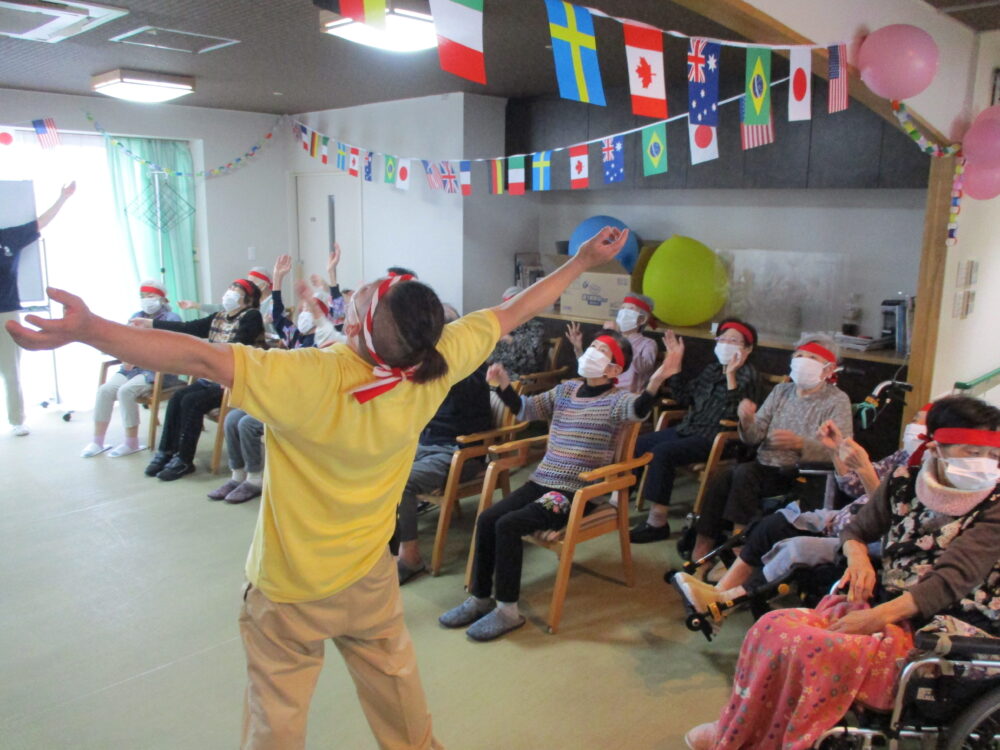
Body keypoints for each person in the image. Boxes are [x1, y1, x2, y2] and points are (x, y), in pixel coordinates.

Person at [6, 226, 632, 750]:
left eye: (362, 299)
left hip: (289, 589)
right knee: (402, 706)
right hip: (369, 576)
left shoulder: (310, 375)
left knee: (276, 720)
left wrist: (92, 330)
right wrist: (581, 262)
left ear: (359, 327)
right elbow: (514, 310)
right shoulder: (436, 363)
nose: (356, 296)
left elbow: (198, 358)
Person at [684, 395, 1000, 750]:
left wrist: (875, 618)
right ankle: (738, 728)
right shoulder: (904, 482)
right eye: (972, 453)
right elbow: (856, 529)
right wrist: (857, 555)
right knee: (769, 629)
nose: (984, 465)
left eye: (993, 456)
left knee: (809, 647)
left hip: (946, 625)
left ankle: (783, 740)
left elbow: (949, 581)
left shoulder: (995, 506)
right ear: (938, 448)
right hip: (890, 606)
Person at [440, 331, 680, 642]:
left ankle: (508, 611)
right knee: (487, 519)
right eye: (591, 346)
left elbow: (641, 408)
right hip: (542, 480)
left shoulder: (616, 401)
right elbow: (526, 409)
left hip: (575, 491)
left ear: (614, 370)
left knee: (509, 525)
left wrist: (659, 376)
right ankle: (480, 597)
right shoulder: (566, 390)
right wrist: (502, 384)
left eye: (600, 351)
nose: (590, 352)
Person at [675, 404, 932, 630]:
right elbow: (851, 486)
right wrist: (836, 450)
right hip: (843, 515)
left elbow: (891, 521)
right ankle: (719, 593)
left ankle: (726, 603)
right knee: (775, 521)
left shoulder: (927, 480)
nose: (912, 424)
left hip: (866, 534)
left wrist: (864, 469)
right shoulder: (903, 457)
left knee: (793, 547)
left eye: (920, 420)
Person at [689, 333, 854, 566]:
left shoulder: (837, 401)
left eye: (811, 357)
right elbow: (754, 437)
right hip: (764, 463)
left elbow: (842, 449)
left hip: (798, 472)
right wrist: (746, 420)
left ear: (828, 370)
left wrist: (800, 444)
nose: (803, 360)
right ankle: (702, 543)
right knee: (722, 476)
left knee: (744, 475)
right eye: (799, 355)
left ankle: (739, 551)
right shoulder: (781, 392)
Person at [630, 320, 760, 543]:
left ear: (747, 349)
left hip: (719, 438)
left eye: (734, 341)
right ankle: (620, 501)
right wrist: (676, 364)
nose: (726, 344)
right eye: (723, 339)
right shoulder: (711, 369)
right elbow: (684, 398)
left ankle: (657, 521)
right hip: (690, 428)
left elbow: (734, 416)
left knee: (664, 453)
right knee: (640, 445)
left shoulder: (748, 375)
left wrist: (731, 375)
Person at [394, 303, 495, 584]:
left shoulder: (471, 370)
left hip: (458, 453)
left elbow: (463, 402)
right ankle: (380, 546)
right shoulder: (432, 368)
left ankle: (410, 557)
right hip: (423, 445)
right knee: (374, 465)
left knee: (402, 481)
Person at [133, 279, 264, 481]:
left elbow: (239, 346)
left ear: (248, 298)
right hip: (212, 378)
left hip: (233, 380)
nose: (229, 292)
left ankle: (184, 460)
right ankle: (166, 452)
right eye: (229, 287)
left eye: (235, 289)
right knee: (178, 398)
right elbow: (188, 327)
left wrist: (205, 354)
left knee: (192, 402)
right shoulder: (220, 316)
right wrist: (150, 323)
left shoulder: (252, 316)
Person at [0, 181, 75, 436]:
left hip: (6, 311)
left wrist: (63, 198)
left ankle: (16, 419)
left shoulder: (8, 237)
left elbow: (40, 222)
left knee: (11, 369)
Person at [81, 279, 181, 458]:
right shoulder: (136, 315)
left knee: (126, 391)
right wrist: (126, 355)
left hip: (158, 370)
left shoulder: (172, 319)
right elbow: (126, 341)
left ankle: (131, 442)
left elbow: (169, 349)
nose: (146, 300)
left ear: (161, 298)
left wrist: (138, 356)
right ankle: (97, 441)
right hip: (133, 368)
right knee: (105, 390)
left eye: (150, 296)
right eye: (143, 296)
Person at [565, 293, 658, 394]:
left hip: (628, 397)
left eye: (630, 309)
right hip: (604, 392)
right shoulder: (611, 340)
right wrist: (578, 347)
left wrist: (622, 339)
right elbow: (590, 366)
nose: (623, 312)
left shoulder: (648, 344)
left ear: (641, 319)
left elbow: (643, 369)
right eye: (622, 308)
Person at [271, 254, 341, 349]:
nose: (303, 313)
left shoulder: (327, 337)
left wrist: (331, 273)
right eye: (303, 309)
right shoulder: (296, 339)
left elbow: (339, 312)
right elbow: (278, 318)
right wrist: (277, 277)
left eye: (308, 309)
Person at [487, 286, 548, 378]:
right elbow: (491, 358)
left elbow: (533, 360)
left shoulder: (535, 327)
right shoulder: (503, 326)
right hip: (497, 374)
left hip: (521, 377)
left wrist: (511, 340)